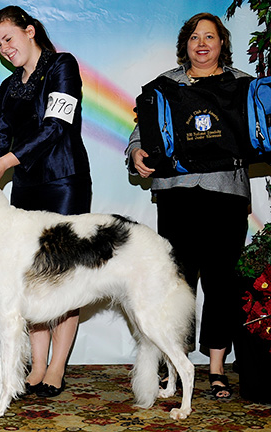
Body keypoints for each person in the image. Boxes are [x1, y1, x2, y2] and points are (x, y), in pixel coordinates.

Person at [126, 13, 251, 399]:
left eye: (210, 37)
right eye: (195, 37)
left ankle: (216, 368)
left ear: (221, 44)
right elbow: (139, 133)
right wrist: (135, 153)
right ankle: (175, 366)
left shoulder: (243, 84)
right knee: (175, 284)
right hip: (178, 195)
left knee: (222, 282)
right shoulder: (164, 85)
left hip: (226, 195)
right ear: (186, 45)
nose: (202, 43)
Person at [0, 5, 92, 397]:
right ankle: (37, 365)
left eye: (8, 38)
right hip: (25, 187)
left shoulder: (62, 65)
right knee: (33, 279)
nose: (5, 48)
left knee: (64, 276)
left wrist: (8, 160)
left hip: (63, 182)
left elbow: (56, 127)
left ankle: (57, 367)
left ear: (30, 31)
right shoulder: (8, 88)